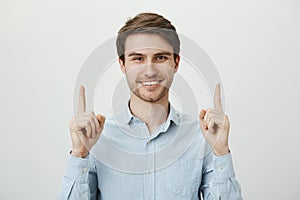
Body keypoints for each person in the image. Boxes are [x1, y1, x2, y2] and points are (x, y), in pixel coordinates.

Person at [58, 12, 242, 200]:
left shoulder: (202, 136)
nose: (150, 71)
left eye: (160, 58)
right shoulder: (96, 138)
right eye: (137, 58)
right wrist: (79, 154)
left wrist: (220, 152)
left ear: (176, 62)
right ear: (122, 64)